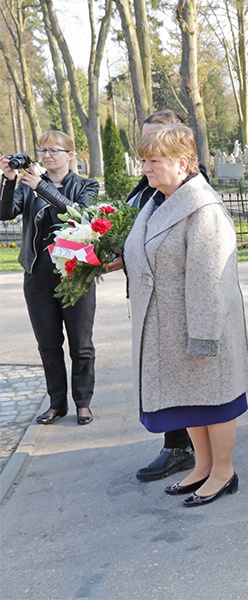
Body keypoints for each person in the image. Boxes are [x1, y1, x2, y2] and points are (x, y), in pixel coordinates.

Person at [123, 124, 248, 505]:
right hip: (166, 324)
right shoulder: (157, 201)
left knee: (215, 400)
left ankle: (224, 471)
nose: (145, 168)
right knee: (190, 401)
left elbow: (211, 277)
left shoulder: (204, 209)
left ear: (181, 163)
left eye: (154, 161)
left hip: (199, 325)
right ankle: (202, 467)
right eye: (144, 160)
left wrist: (203, 336)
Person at [118, 110, 200, 482]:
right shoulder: (147, 188)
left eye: (155, 147)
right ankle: (183, 445)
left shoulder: (187, 189)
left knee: (181, 377)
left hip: (173, 303)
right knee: (162, 374)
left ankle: (181, 448)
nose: (147, 158)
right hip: (148, 296)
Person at [1, 131, 99, 426]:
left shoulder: (86, 185)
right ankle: (57, 404)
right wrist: (8, 181)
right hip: (38, 272)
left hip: (75, 271)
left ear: (71, 155)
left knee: (81, 344)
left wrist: (41, 186)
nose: (46, 155)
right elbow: (4, 213)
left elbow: (82, 215)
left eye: (54, 150)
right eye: (42, 150)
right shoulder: (27, 185)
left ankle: (83, 403)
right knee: (48, 343)